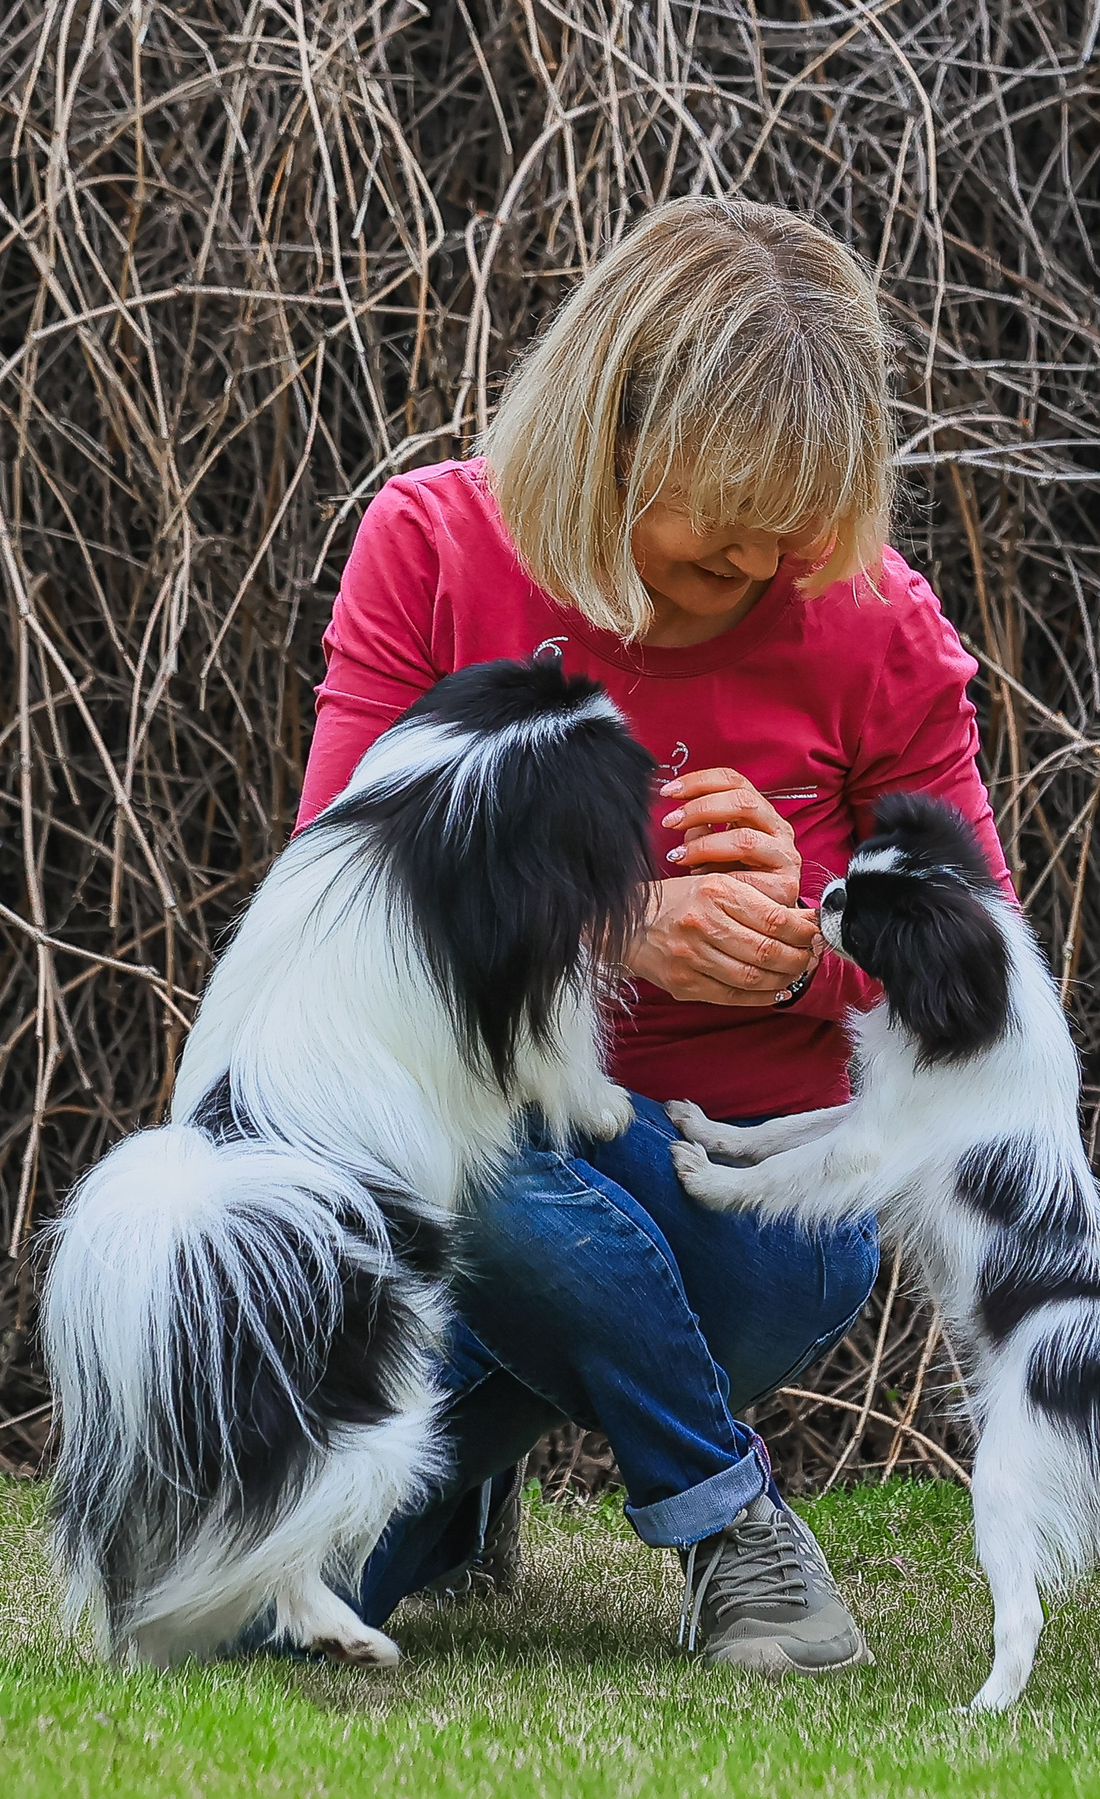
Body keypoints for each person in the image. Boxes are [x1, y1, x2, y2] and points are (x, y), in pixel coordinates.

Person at [299, 196, 1012, 1676]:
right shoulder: (432, 547)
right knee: (264, 1612)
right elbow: (332, 905)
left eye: (794, 523)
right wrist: (609, 928)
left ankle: (465, 1439)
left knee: (750, 1270)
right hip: (485, 1146)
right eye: (722, 511)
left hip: (751, 1202)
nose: (756, 562)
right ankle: (716, 1515)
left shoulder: (874, 622)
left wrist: (821, 935)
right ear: (605, 425)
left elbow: (984, 962)